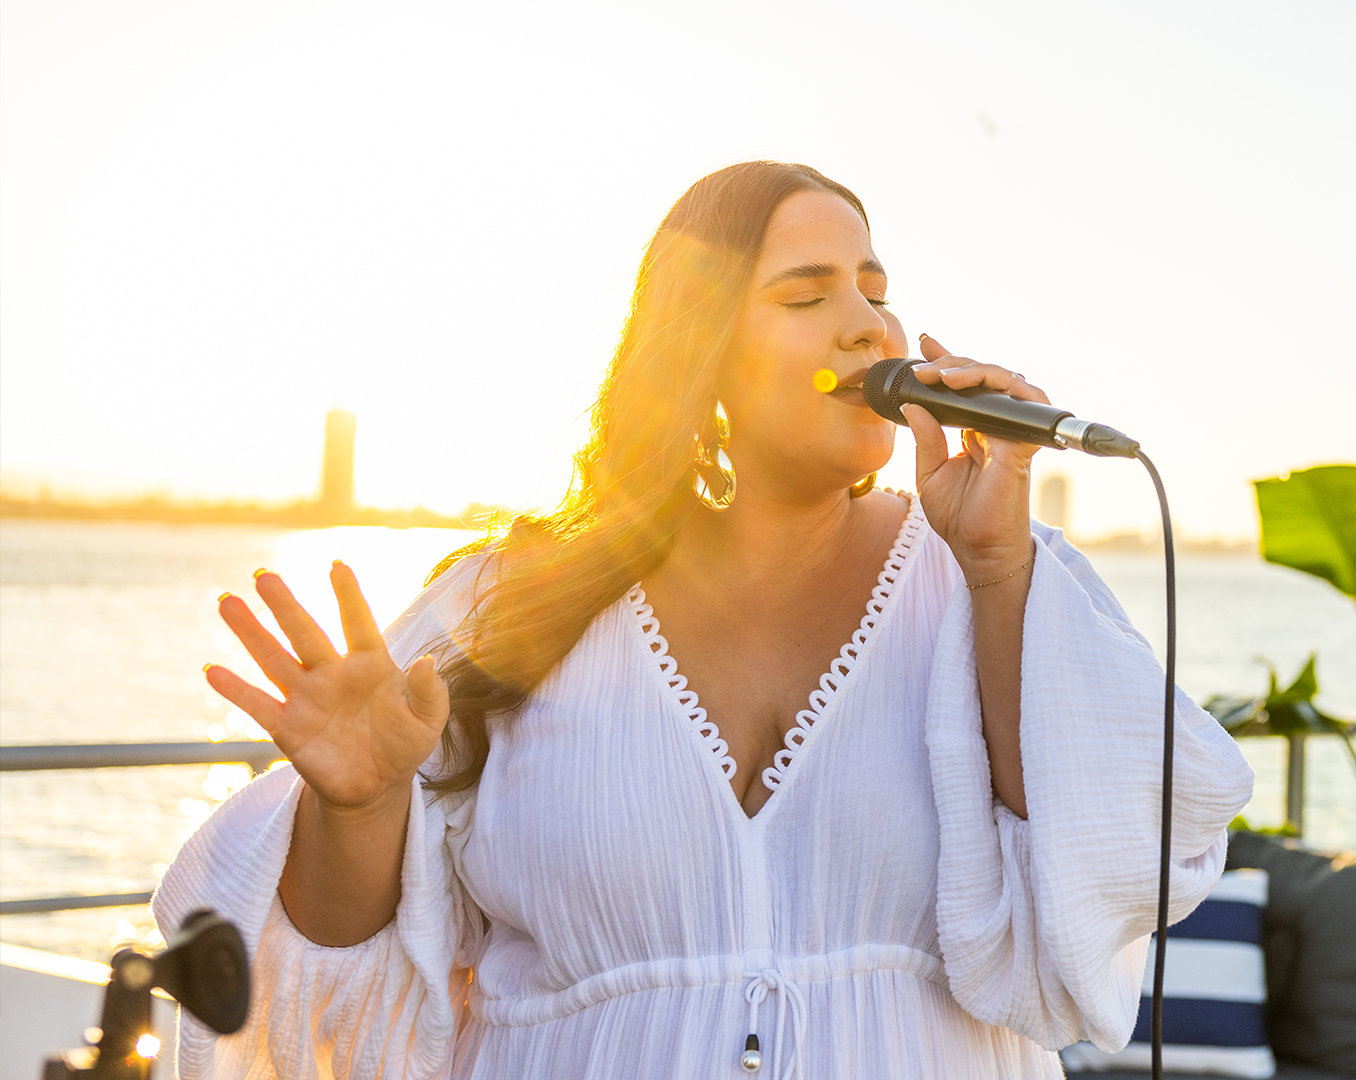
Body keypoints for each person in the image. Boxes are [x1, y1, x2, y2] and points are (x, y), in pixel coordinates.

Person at [151, 161, 1254, 1078]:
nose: (869, 325)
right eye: (807, 292)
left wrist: (1002, 566)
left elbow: (1099, 879)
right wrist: (361, 804)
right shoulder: (511, 601)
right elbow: (329, 990)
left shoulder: (992, 575)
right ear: (701, 352)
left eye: (876, 287)